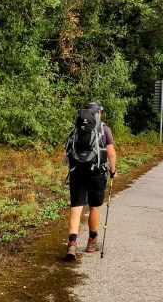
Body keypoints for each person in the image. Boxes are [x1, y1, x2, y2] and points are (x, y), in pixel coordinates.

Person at [66, 103, 117, 261]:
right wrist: (113, 171)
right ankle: (92, 242)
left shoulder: (75, 129)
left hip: (77, 172)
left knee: (76, 207)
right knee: (94, 207)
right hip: (97, 172)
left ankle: (72, 245)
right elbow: (111, 154)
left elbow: (67, 151)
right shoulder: (104, 129)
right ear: (98, 114)